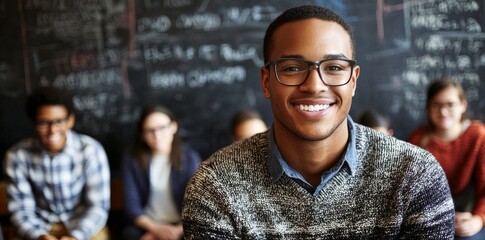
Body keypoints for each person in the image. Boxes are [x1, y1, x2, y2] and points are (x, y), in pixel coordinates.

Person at [182, 5, 454, 239]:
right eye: (292, 68)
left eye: (334, 68)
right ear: (266, 82)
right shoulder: (216, 186)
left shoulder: (415, 175)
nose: (314, 85)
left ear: (354, 80)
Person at [4, 86, 110, 240]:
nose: (52, 130)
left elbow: (98, 207)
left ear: (70, 120)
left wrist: (75, 237)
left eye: (59, 121)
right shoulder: (17, 156)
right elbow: (20, 210)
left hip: (81, 226)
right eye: (43, 123)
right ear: (34, 124)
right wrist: (39, 236)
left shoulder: (91, 150)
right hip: (38, 228)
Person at [408, 78, 485, 239]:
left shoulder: (478, 136)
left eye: (450, 104)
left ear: (463, 105)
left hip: (467, 217)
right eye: (436, 105)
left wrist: (479, 219)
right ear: (428, 107)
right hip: (429, 220)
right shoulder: (416, 140)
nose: (443, 112)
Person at [121, 105, 201, 240]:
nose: (157, 135)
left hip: (182, 225)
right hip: (148, 224)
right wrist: (155, 230)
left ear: (173, 127)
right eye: (149, 131)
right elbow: (131, 205)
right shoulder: (132, 160)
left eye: (162, 128)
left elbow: (199, 204)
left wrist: (177, 231)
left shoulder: (189, 159)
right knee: (129, 235)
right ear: (142, 135)